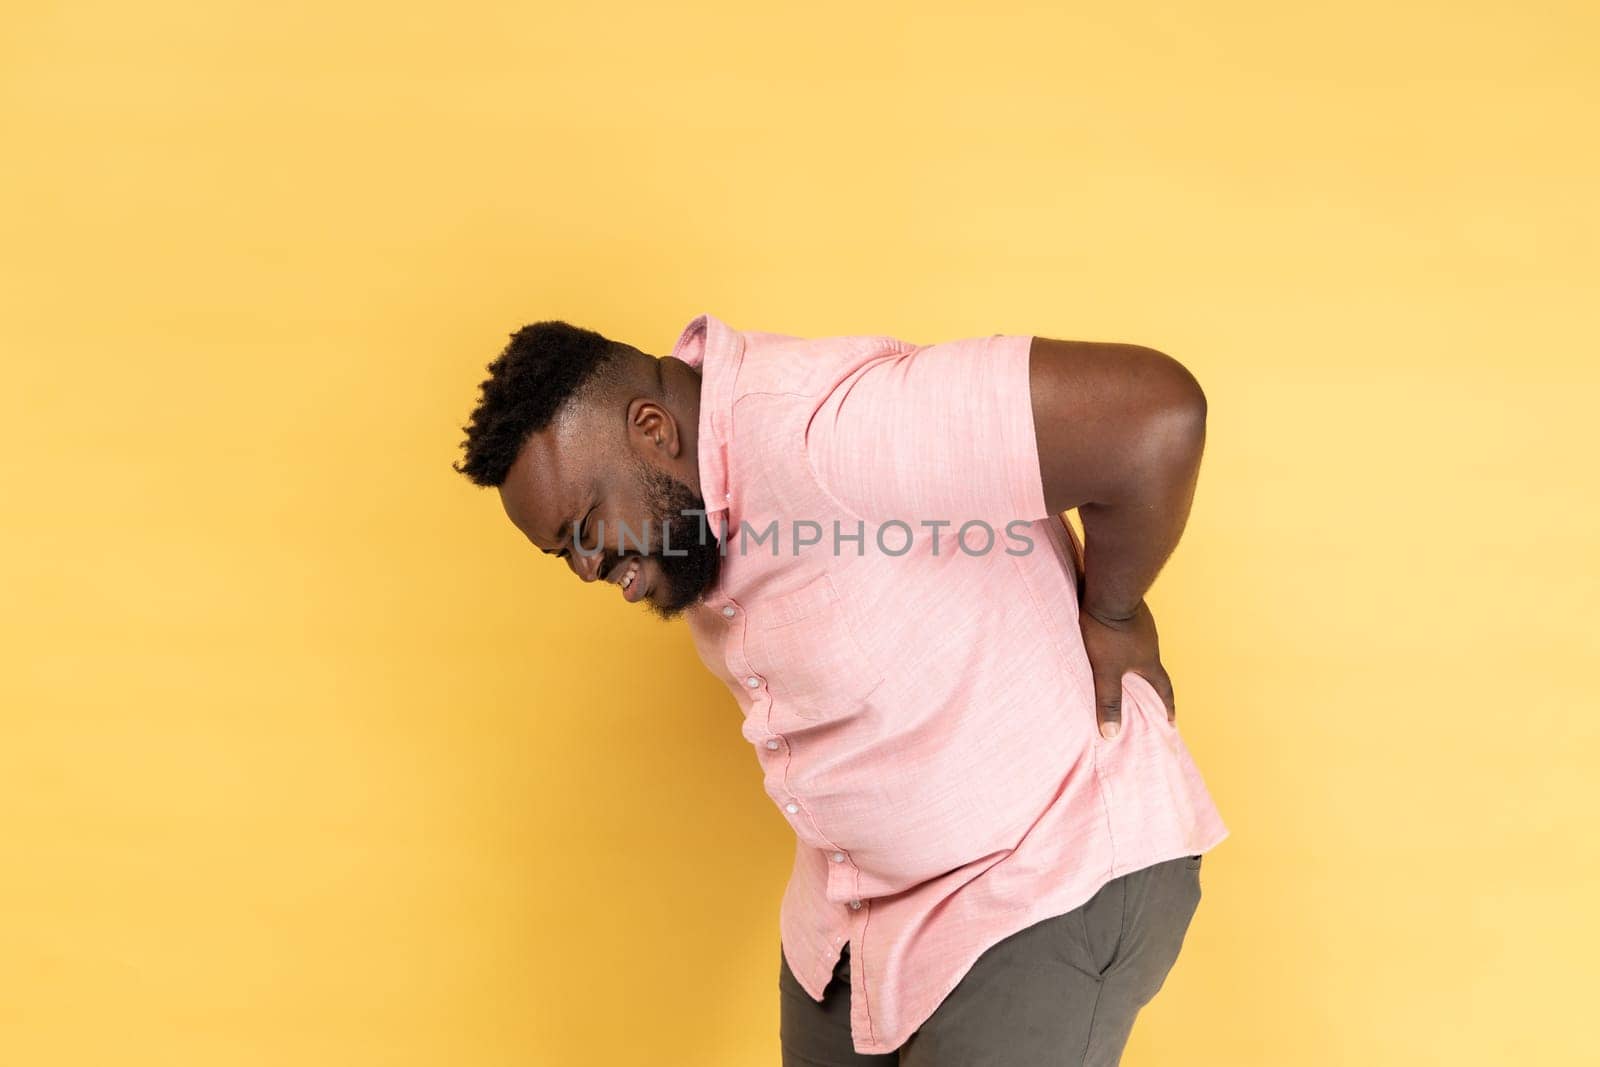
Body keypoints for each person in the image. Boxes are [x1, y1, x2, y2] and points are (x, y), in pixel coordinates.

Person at [453, 312, 1229, 1065]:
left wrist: (1115, 611)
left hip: (1041, 875)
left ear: (655, 430)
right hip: (853, 915)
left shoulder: (828, 432)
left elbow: (1154, 415)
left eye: (587, 524)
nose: (587, 566)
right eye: (564, 552)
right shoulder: (688, 516)